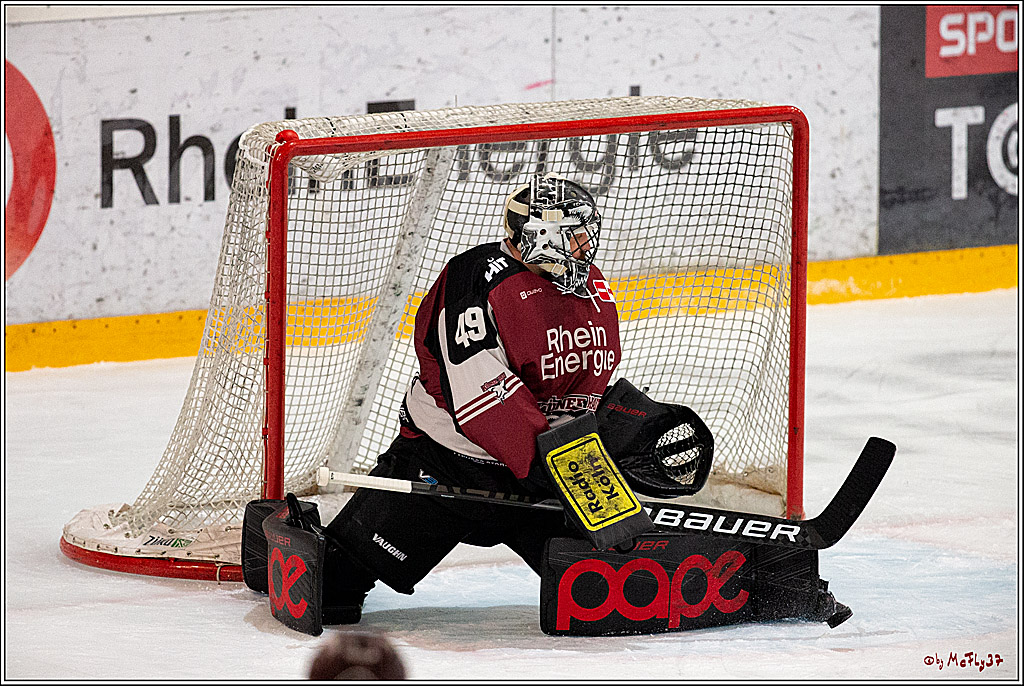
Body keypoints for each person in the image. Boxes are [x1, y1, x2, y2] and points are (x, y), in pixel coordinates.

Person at [320, 172, 621, 624]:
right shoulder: (474, 281)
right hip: (450, 462)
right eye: (574, 235)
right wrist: (547, 463)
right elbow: (483, 399)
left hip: (547, 463)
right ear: (540, 236)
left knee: (615, 589)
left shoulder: (588, 284)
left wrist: (613, 436)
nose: (586, 245)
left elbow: (593, 371)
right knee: (331, 591)